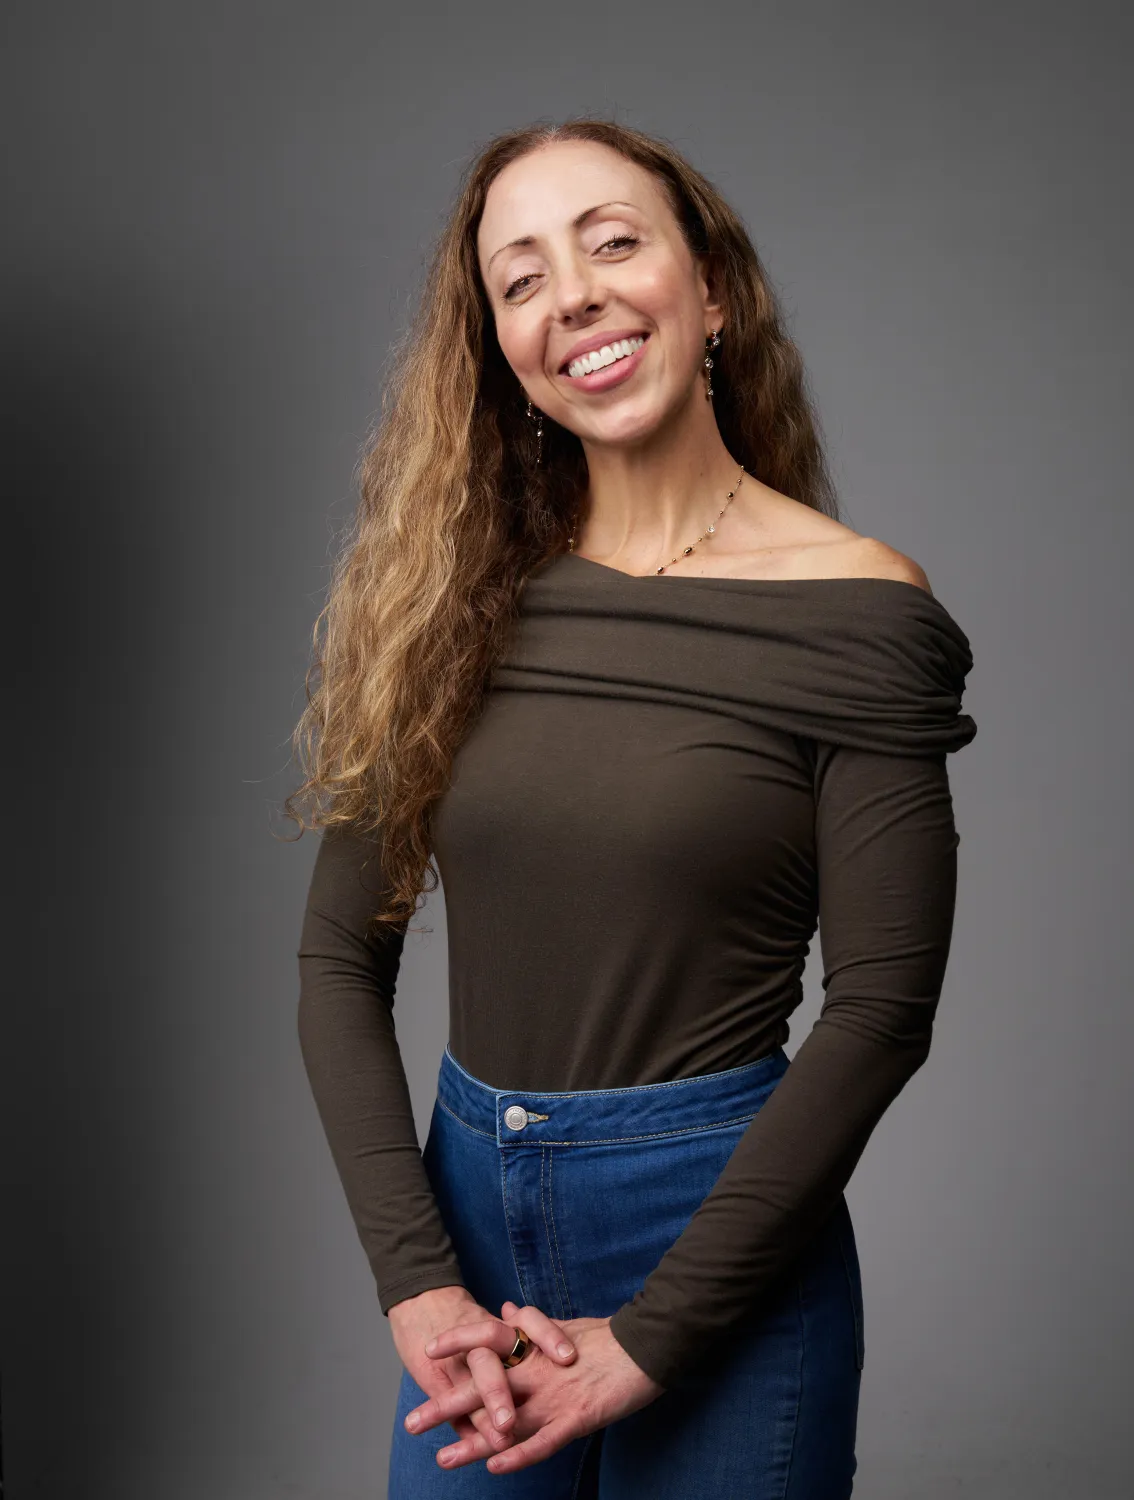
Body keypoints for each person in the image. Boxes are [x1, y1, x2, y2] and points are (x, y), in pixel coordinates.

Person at [287, 117, 977, 1499]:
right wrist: (418, 1284)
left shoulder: (857, 612)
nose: (574, 296)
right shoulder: (446, 610)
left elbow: (882, 1007)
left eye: (611, 243)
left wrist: (654, 1338)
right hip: (468, 1245)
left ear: (710, 289)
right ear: (501, 349)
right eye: (521, 278)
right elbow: (336, 962)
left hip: (723, 1230)